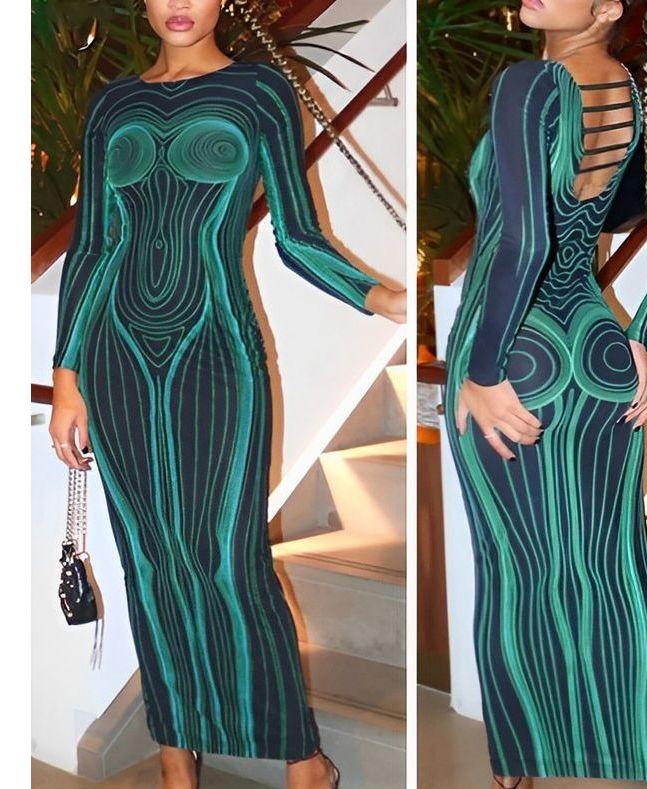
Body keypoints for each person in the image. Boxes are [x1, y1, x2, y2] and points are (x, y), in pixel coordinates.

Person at [47, 1, 405, 787]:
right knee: (149, 559)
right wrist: (67, 375)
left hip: (219, 354)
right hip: (114, 361)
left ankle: (303, 757)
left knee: (229, 559)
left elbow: (298, 236)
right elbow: (93, 246)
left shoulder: (261, 91)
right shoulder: (112, 104)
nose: (180, 4)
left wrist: (381, 295)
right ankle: (176, 756)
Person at [442, 1, 647, 787]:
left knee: (515, 569)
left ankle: (519, 763)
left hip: (512, 358)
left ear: (604, 9)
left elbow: (523, 239)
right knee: (615, 567)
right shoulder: (627, 91)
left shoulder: (527, 83)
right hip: (597, 354)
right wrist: (641, 338)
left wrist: (482, 370)